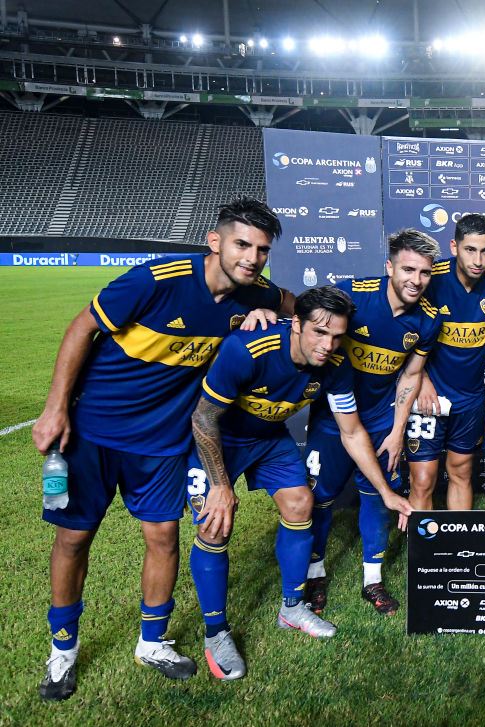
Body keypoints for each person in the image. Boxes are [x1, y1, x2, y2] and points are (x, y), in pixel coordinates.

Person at [32, 197, 293, 701]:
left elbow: (302, 308)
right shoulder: (155, 279)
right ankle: (62, 650)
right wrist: (55, 408)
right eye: (242, 244)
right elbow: (81, 328)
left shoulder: (254, 291)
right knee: (72, 540)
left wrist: (268, 309)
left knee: (164, 539)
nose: (252, 258)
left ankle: (152, 642)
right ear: (214, 242)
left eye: (261, 250)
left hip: (164, 443)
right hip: (93, 434)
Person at [187, 287, 412, 680]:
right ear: (296, 325)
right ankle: (215, 633)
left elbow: (352, 433)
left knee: (300, 504)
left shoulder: (336, 365)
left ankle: (292, 608)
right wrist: (221, 487)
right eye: (319, 333)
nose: (328, 345)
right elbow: (204, 419)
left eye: (337, 336)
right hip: (222, 438)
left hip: (270, 439)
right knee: (214, 524)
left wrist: (388, 492)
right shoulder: (246, 349)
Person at [303, 229, 441, 617]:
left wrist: (397, 431)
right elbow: (307, 322)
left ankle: (372, 580)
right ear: (389, 267)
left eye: (425, 273)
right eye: (408, 269)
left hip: (382, 420)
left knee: (379, 498)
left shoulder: (428, 320)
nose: (415, 280)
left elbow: (411, 376)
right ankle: (315, 573)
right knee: (320, 497)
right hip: (333, 419)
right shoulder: (352, 295)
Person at [405, 214, 485, 510]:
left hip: (470, 399)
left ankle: (457, 548)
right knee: (422, 479)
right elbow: (403, 329)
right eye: (470, 249)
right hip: (428, 392)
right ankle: (426, 552)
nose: (478, 260)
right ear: (454, 246)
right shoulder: (431, 278)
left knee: (461, 473)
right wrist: (422, 381)